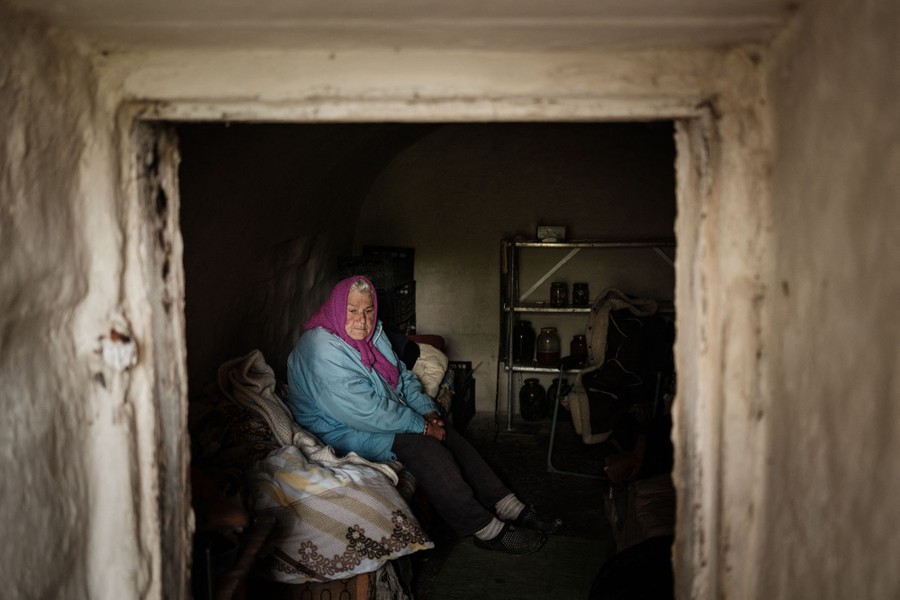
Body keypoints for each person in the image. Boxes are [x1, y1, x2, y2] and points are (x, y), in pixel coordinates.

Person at [286, 275, 562, 555]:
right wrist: (420, 427)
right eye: (353, 311)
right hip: (342, 430)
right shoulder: (321, 349)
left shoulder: (374, 334)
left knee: (445, 431)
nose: (362, 320)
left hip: (374, 417)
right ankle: (484, 528)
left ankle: (509, 505)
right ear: (335, 309)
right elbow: (364, 410)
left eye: (368, 311)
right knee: (424, 447)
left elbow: (402, 378)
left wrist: (429, 413)